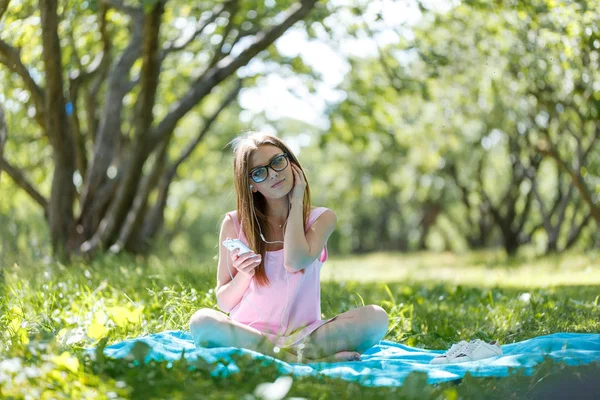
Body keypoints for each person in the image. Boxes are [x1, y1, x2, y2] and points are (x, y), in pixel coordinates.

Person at [189, 132, 389, 363]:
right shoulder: (234, 224)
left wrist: (296, 202)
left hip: (306, 336)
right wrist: (244, 275)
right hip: (249, 335)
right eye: (259, 172)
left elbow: (294, 261)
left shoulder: (321, 219)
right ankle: (300, 361)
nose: (273, 173)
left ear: (291, 163)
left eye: (277, 161)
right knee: (201, 321)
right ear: (251, 185)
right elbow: (224, 303)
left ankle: (281, 357)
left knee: (376, 317)